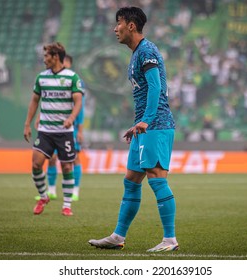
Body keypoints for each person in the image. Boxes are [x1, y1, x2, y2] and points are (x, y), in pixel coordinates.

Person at [88, 7, 178, 252]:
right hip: (145, 126)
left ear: (130, 25)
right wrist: (138, 123)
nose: (114, 28)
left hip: (156, 125)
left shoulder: (147, 50)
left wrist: (147, 120)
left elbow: (156, 86)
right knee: (131, 180)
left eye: (118, 23)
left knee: (157, 179)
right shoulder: (137, 53)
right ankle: (118, 236)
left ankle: (170, 239)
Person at [23, 42, 83, 216]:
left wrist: (71, 118)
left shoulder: (72, 77)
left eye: (46, 56)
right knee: (36, 164)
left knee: (66, 167)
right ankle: (43, 196)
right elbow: (35, 101)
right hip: (46, 131)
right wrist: (27, 123)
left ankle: (66, 205)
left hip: (64, 133)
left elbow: (78, 101)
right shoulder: (41, 78)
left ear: (55, 56)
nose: (44, 60)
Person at [34, 54, 85, 201]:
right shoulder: (50, 79)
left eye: (66, 62)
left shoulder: (75, 80)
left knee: (73, 159)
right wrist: (39, 117)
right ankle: (51, 191)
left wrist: (80, 129)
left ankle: (75, 190)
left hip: (70, 127)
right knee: (52, 158)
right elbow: (46, 102)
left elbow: (80, 107)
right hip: (52, 127)